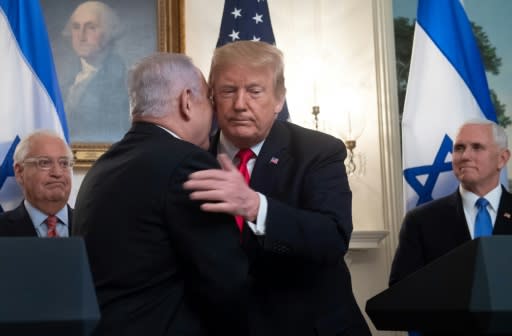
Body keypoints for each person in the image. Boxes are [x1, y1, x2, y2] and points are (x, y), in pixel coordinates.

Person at [184, 41, 371, 336]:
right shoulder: (189, 162)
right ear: (212, 97)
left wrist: (257, 208)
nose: (240, 104)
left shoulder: (318, 151)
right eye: (229, 90)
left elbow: (332, 238)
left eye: (254, 91)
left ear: (279, 99)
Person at [73, 53, 248, 336]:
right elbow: (225, 281)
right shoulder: (188, 163)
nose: (214, 114)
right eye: (208, 99)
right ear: (187, 101)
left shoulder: (102, 167)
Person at [389, 119, 512, 286]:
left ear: (502, 159)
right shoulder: (421, 221)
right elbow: (400, 294)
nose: (465, 156)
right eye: (459, 148)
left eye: (477, 147)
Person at [60, 1, 130, 142]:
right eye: (76, 27)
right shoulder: (66, 76)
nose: (81, 36)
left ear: (109, 32)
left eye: (91, 27)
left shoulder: (121, 81)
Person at [0, 130, 73, 237]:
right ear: (20, 172)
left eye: (64, 163)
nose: (57, 173)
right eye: (44, 163)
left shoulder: (96, 225)